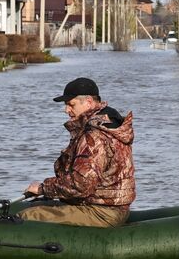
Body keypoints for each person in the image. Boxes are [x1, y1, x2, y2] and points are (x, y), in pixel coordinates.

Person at [22, 77, 135, 227]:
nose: (66, 110)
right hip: (112, 208)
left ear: (88, 102)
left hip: (101, 212)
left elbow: (81, 184)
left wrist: (43, 188)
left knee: (28, 216)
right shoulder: (108, 126)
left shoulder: (94, 136)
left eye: (71, 104)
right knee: (40, 206)